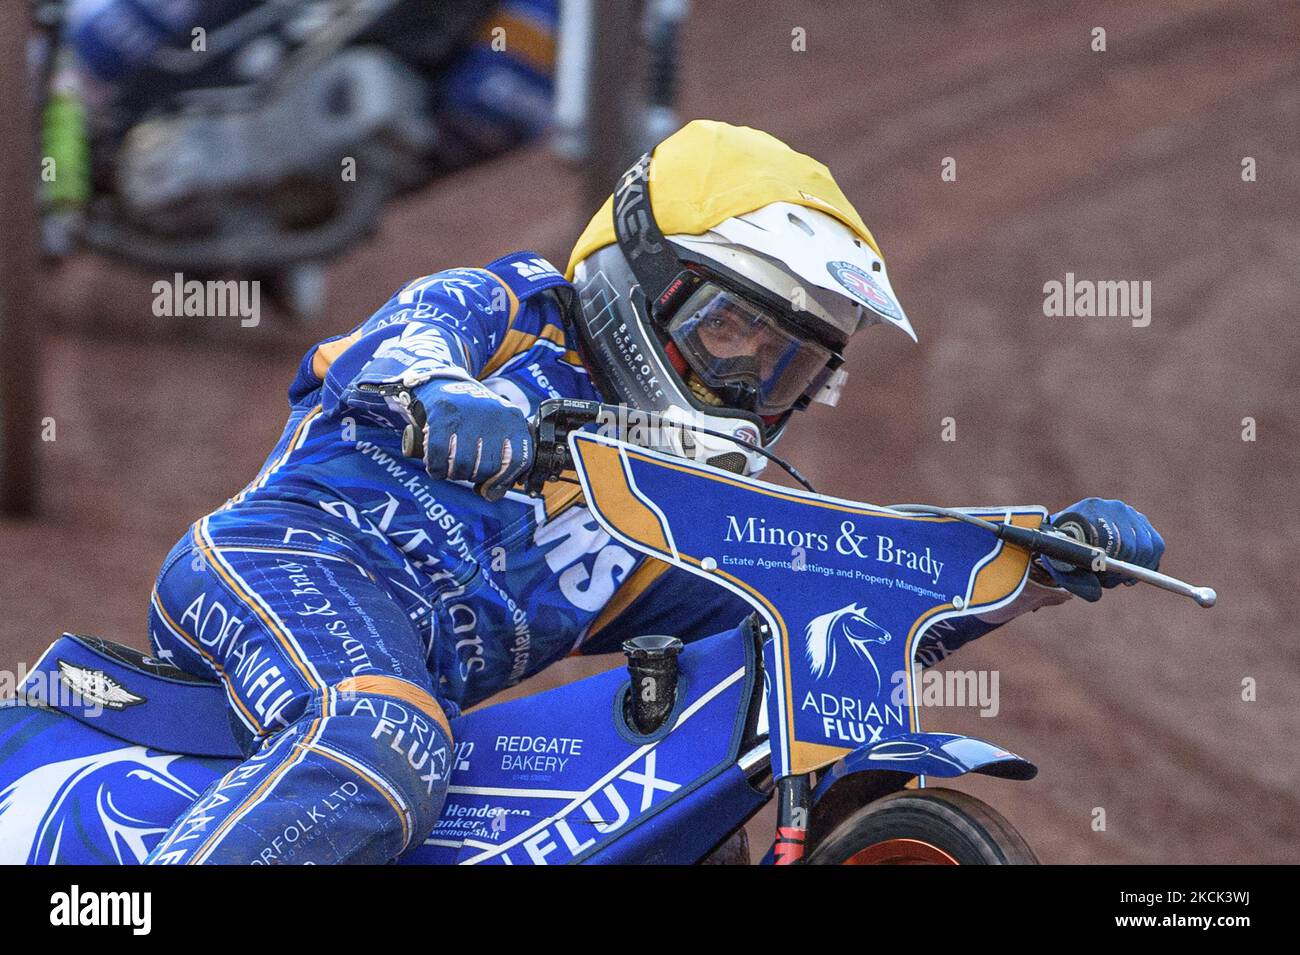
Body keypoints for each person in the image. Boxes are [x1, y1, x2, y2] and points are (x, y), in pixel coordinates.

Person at [143, 120, 1164, 864]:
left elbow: (824, 608)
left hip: (414, 687)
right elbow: (394, 350)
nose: (749, 385)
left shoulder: (664, 512)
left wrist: (1028, 564)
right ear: (639, 271)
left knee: (686, 805)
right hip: (277, 565)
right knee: (385, 733)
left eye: (787, 366)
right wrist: (450, 398)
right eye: (731, 330)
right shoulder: (505, 309)